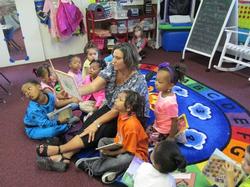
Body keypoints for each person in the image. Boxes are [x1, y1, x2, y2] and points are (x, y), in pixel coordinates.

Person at [35, 42, 150, 171]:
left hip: (129, 115)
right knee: (90, 123)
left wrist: (97, 123)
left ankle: (61, 150)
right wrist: (72, 91)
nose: (113, 61)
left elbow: (118, 110)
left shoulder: (138, 80)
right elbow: (93, 86)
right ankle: (66, 155)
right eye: (113, 57)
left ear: (128, 60)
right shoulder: (112, 68)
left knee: (99, 128)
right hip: (114, 106)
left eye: (118, 58)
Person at [75, 90, 148, 184]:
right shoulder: (122, 115)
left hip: (136, 153)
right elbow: (120, 139)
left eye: (120, 99)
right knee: (103, 142)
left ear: (129, 107)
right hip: (122, 143)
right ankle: (109, 165)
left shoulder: (132, 125)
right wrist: (109, 148)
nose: (116, 100)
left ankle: (95, 167)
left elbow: (128, 149)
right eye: (117, 97)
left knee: (124, 159)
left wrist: (110, 153)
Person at [146, 62, 186, 146]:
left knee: (147, 142)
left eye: (160, 82)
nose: (156, 83)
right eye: (156, 80)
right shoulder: (161, 92)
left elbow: (174, 121)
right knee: (145, 132)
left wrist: (170, 137)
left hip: (164, 130)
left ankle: (175, 137)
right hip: (158, 123)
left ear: (170, 85)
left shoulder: (170, 103)